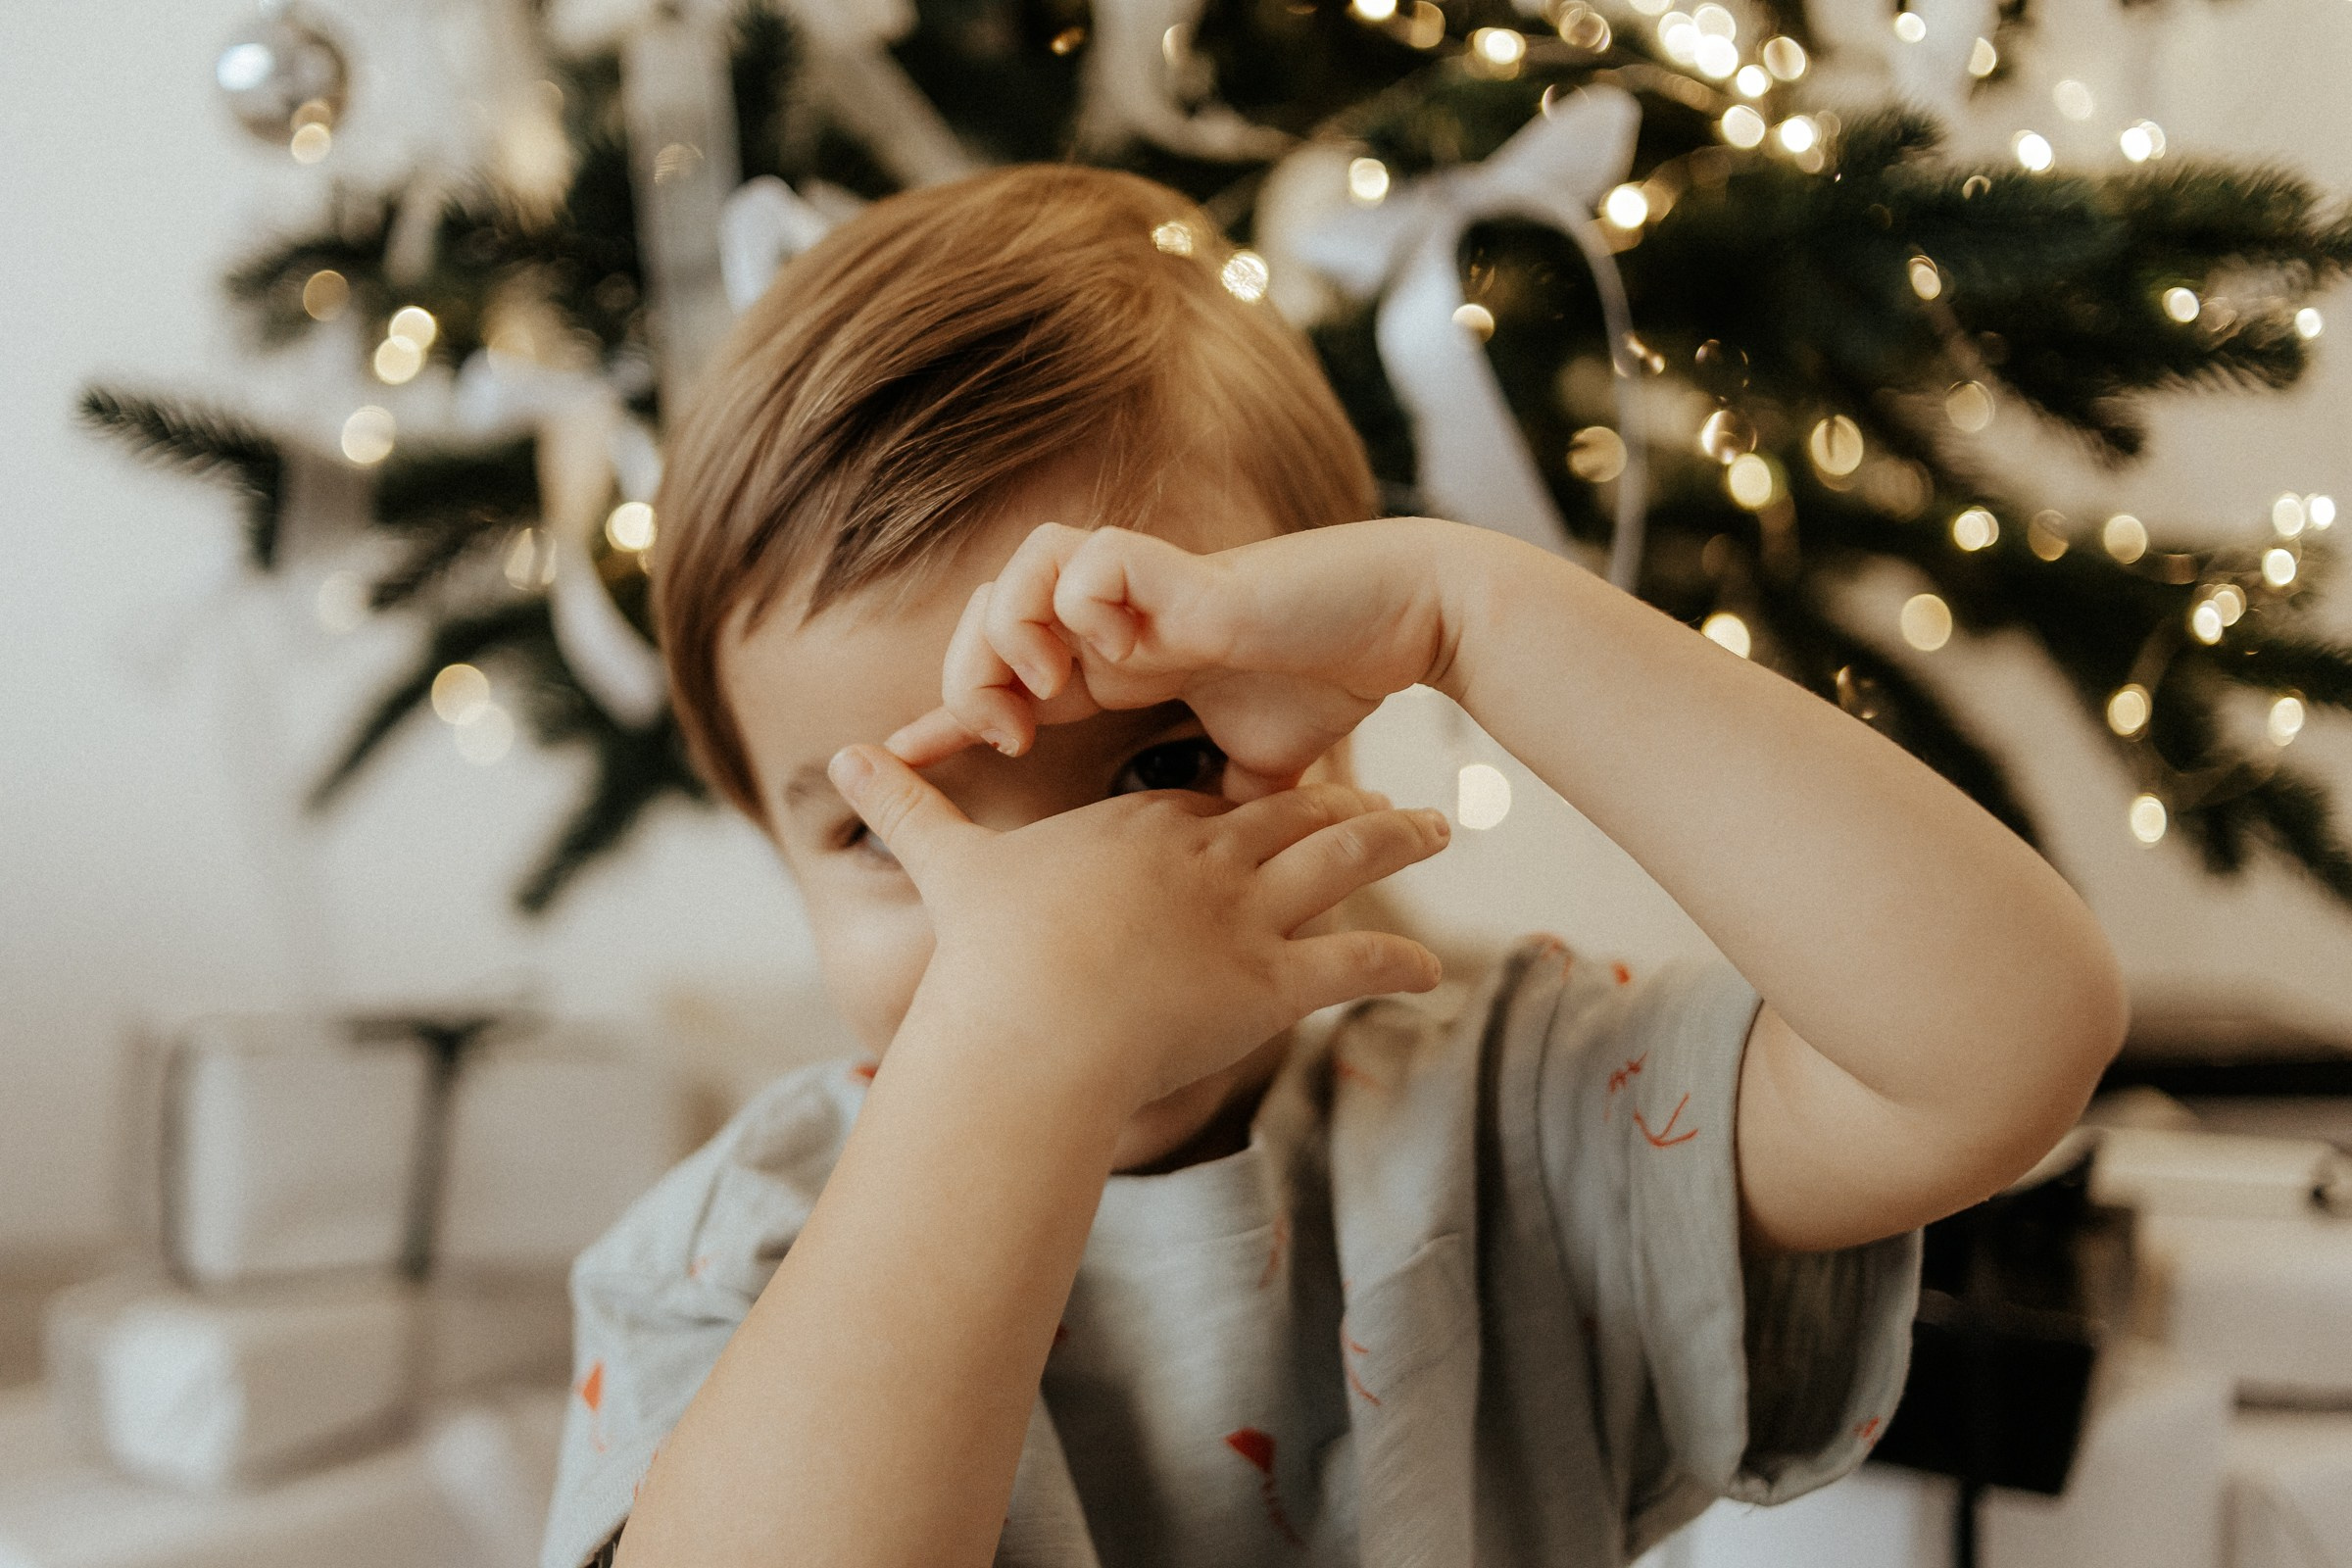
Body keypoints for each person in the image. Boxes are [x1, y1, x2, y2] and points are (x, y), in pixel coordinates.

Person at [538, 164, 2125, 1568]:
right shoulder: (728, 1254)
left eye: (1158, 768)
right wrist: (1017, 1050)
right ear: (773, 837)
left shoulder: (1525, 1116)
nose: (1056, 918)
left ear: (1340, 713)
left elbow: (2001, 1046)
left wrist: (1470, 611)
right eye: (902, 831)